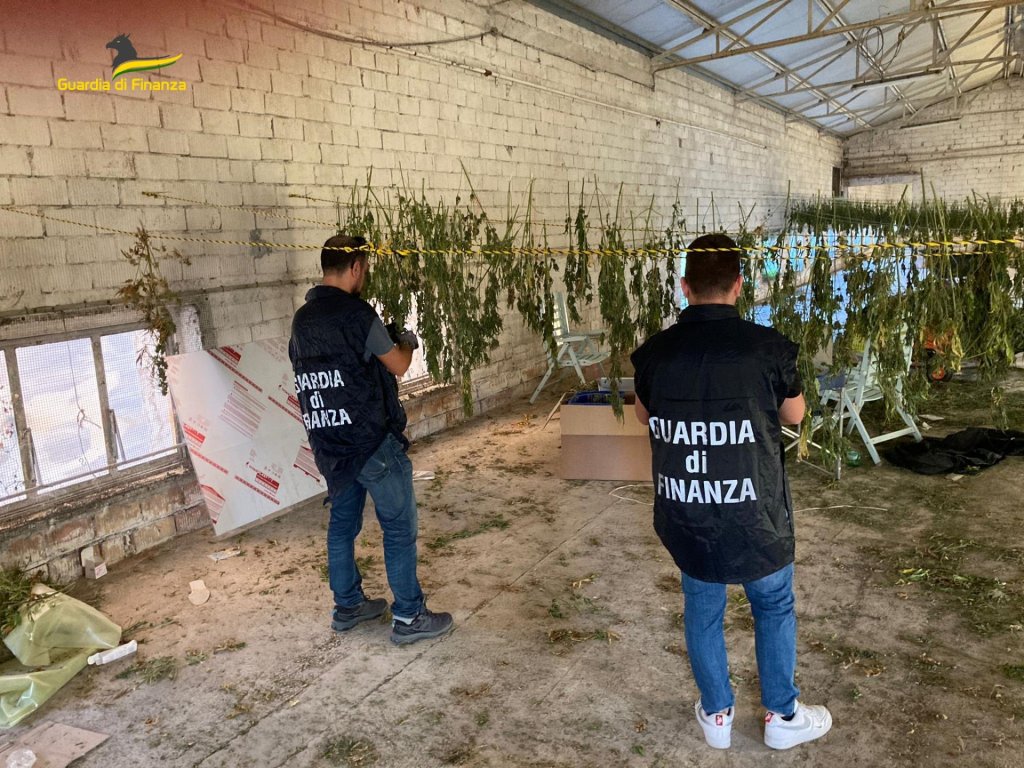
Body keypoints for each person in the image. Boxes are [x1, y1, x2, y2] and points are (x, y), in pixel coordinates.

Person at [630, 233, 832, 750]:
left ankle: (717, 714)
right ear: (739, 285)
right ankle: (782, 716)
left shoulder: (655, 354)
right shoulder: (768, 348)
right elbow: (794, 415)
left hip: (689, 510)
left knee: (702, 607)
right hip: (755, 511)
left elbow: (644, 416)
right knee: (773, 605)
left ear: (684, 287)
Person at [289, 234, 453, 645]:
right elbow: (397, 365)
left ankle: (348, 606)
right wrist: (407, 342)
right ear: (356, 267)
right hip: (370, 443)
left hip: (330, 443)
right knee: (398, 526)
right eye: (365, 268)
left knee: (342, 526)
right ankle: (409, 616)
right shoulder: (358, 315)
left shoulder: (301, 320)